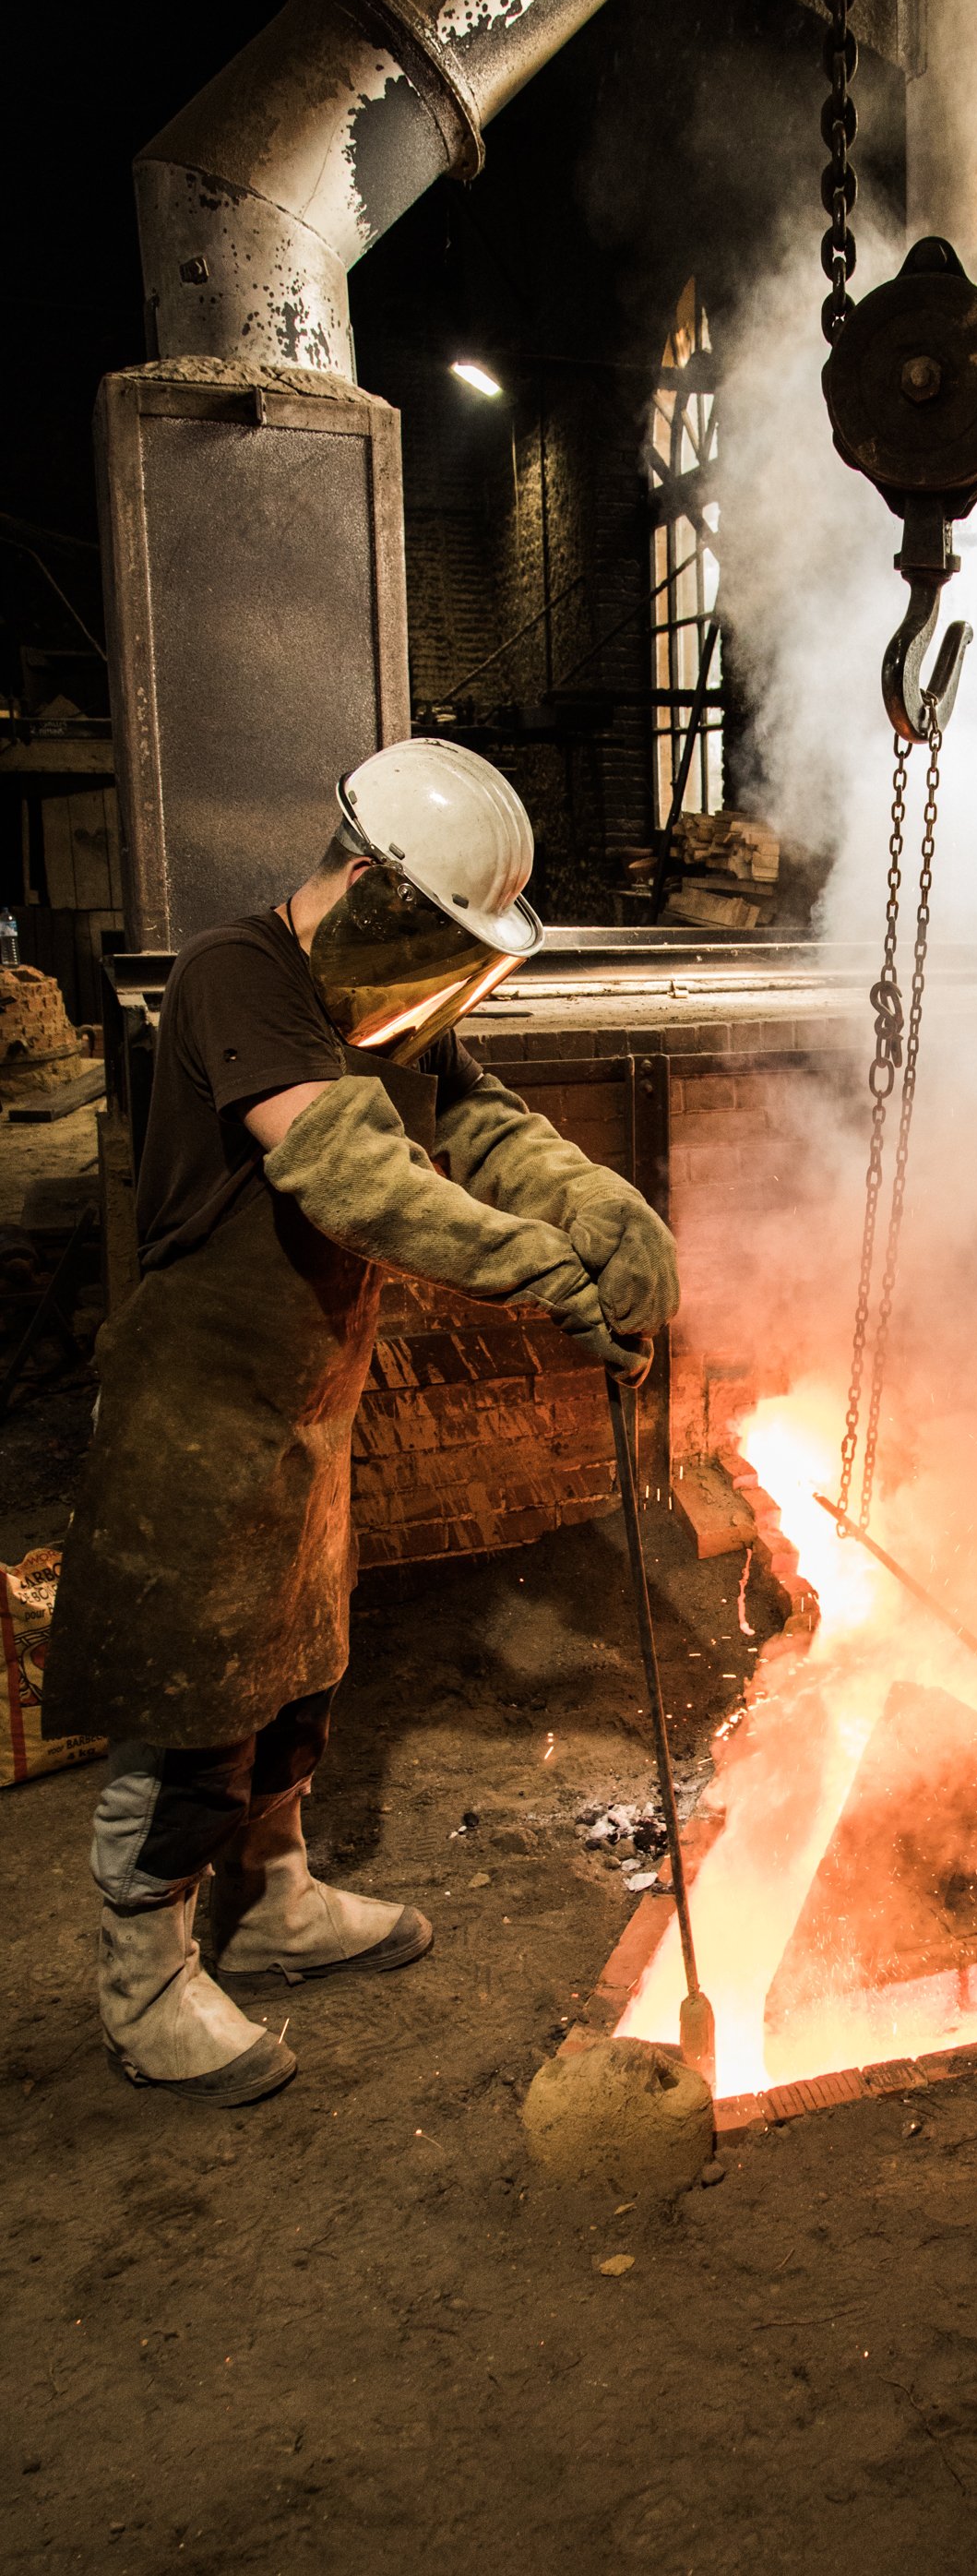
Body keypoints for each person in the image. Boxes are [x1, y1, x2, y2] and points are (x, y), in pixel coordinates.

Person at [42, 742, 678, 2105]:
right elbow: (347, 1167)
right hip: (196, 1410)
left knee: (296, 1676)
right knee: (195, 1704)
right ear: (374, 884)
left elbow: (481, 1125)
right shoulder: (238, 973)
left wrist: (596, 1207)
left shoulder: (379, 999)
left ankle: (271, 1908)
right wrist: (530, 1269)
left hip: (302, 1400)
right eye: (434, 934)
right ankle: (141, 1984)